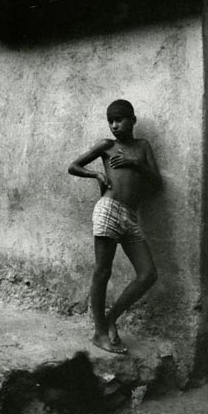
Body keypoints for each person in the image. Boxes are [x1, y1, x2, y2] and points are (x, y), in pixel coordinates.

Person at [68, 99, 162, 355]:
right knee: (102, 271)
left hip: (131, 216)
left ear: (133, 119)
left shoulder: (143, 147)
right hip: (108, 210)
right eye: (110, 121)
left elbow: (157, 182)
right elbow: (73, 166)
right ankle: (100, 332)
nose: (114, 125)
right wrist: (96, 175)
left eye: (119, 119)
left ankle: (110, 319)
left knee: (148, 274)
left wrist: (135, 164)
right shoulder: (107, 146)